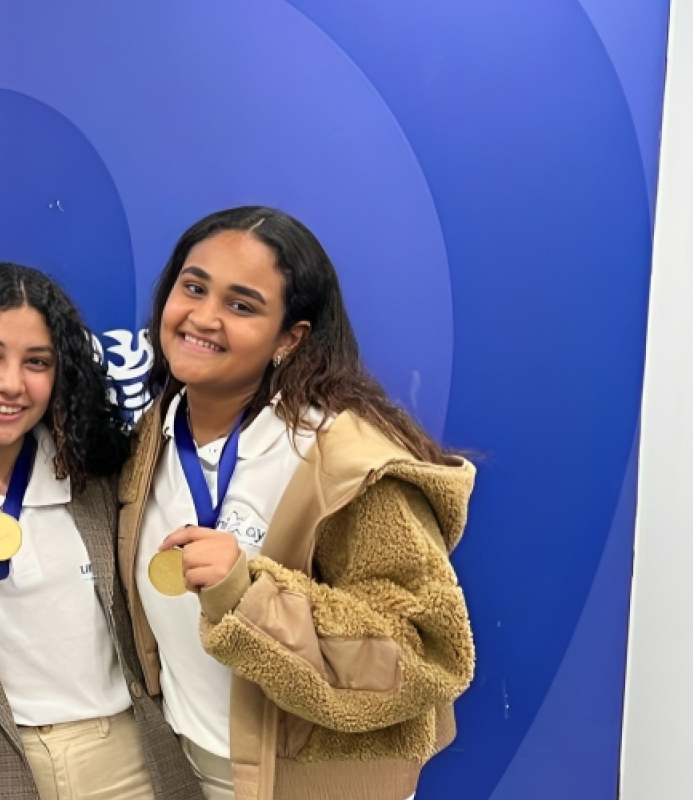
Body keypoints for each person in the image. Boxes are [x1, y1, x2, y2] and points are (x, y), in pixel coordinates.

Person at [118, 207, 476, 800]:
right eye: (194, 287)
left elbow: (429, 655)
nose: (203, 317)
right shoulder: (155, 432)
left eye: (241, 305)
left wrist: (250, 599)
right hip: (184, 770)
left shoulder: (345, 461)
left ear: (291, 337)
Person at [0, 263, 201, 800]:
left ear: (61, 374)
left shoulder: (100, 480)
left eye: (37, 362)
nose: (11, 383)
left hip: (126, 759)